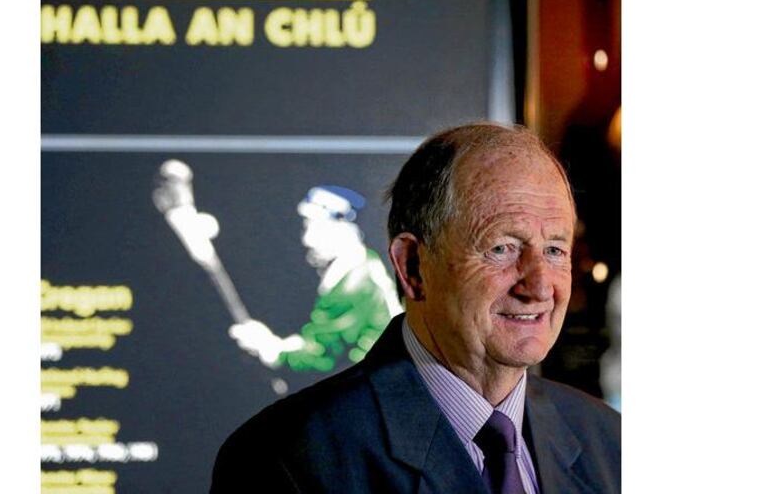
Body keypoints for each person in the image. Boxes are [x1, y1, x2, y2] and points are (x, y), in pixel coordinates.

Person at [211, 123, 620, 493]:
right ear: (413, 267)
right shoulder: (289, 460)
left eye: (554, 249)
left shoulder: (612, 443)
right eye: (502, 248)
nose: (539, 285)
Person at [228, 185, 403, 372]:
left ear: (345, 229)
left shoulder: (355, 284)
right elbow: (321, 339)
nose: (307, 239)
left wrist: (271, 350)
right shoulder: (362, 264)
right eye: (307, 226)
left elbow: (321, 356)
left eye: (318, 227)